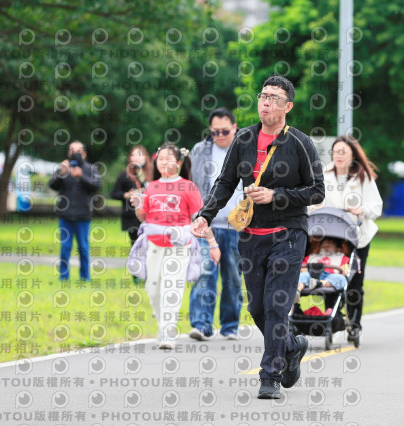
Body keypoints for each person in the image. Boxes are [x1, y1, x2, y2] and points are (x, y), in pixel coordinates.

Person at [191, 75, 325, 399]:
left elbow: (317, 191)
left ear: (288, 106)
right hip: (251, 234)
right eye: (263, 95)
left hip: (288, 233)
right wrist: (205, 214)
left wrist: (277, 195)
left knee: (277, 306)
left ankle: (270, 377)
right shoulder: (244, 139)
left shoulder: (300, 143)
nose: (266, 102)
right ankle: (291, 347)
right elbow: (225, 182)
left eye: (274, 98)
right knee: (257, 308)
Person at [130, 142, 211, 350]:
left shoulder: (188, 186)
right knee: (153, 289)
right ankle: (162, 327)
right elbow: (143, 217)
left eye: (169, 158)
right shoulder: (151, 187)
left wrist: (211, 243)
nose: (164, 162)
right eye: (161, 158)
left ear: (178, 162)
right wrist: (138, 205)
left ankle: (168, 332)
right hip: (154, 244)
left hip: (179, 245)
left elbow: (199, 218)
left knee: (171, 286)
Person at [314, 135, 382, 343]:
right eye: (336, 152)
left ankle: (355, 324)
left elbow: (376, 206)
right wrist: (315, 207)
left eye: (343, 152)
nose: (339, 156)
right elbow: (315, 200)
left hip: (358, 237)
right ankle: (333, 320)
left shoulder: (362, 177)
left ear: (352, 155)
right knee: (330, 277)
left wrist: (362, 210)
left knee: (354, 283)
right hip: (331, 236)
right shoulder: (324, 174)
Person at [188, 107, 244, 341]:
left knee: (233, 277)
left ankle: (230, 326)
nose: (219, 136)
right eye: (214, 132)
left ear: (234, 128)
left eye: (224, 131)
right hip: (205, 224)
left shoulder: (245, 149)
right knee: (204, 273)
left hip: (235, 226)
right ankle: (201, 324)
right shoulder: (199, 151)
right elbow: (191, 184)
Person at [48, 141, 101, 281]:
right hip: (65, 216)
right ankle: (63, 276)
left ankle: (85, 276)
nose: (75, 154)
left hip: (83, 216)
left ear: (84, 153)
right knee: (65, 247)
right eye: (72, 150)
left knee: (83, 248)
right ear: (68, 153)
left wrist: (81, 176)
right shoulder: (63, 168)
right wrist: (61, 173)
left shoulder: (90, 169)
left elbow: (96, 185)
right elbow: (52, 185)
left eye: (78, 151)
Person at [111, 146, 154, 246]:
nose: (136, 158)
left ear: (145, 157)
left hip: (150, 215)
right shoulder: (125, 174)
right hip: (132, 217)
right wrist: (126, 195)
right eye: (133, 155)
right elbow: (114, 193)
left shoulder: (152, 173)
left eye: (139, 155)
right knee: (136, 246)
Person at [295, 237, 350, 303]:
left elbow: (344, 270)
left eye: (329, 245)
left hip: (330, 276)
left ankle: (319, 283)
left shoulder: (342, 257)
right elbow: (302, 268)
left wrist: (344, 271)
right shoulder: (312, 256)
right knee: (301, 276)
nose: (326, 246)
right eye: (324, 245)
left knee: (341, 279)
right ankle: (297, 291)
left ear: (338, 249)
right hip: (311, 274)